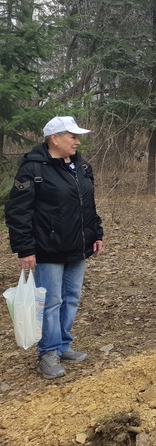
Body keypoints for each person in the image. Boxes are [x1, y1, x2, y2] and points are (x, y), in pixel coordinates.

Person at [5, 116, 104, 379]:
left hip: (78, 246)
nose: (77, 141)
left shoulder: (81, 166)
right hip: (48, 248)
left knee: (71, 298)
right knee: (51, 301)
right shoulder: (33, 169)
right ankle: (47, 353)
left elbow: (88, 205)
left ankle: (62, 345)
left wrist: (96, 233)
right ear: (55, 139)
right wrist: (25, 249)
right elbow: (18, 211)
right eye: (72, 136)